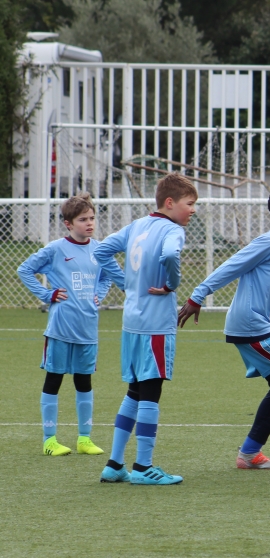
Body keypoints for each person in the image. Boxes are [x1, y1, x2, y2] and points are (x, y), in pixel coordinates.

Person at [177, 186, 270, 470]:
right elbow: (233, 265)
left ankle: (249, 453)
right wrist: (198, 296)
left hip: (256, 323)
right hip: (249, 324)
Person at [94, 173, 198, 485]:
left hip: (131, 323)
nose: (193, 210)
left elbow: (101, 251)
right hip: (155, 324)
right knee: (151, 392)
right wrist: (172, 284)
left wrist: (126, 281)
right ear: (170, 203)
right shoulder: (173, 230)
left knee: (135, 391)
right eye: (190, 203)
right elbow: (170, 254)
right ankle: (143, 467)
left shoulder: (137, 225)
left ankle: (114, 464)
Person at [17, 193, 125, 456]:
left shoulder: (100, 249)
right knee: (54, 379)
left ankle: (84, 439)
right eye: (83, 220)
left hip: (88, 329)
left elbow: (107, 276)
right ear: (68, 223)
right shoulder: (56, 249)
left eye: (92, 218)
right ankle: (49, 440)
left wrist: (99, 292)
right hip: (60, 328)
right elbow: (24, 269)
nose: (89, 224)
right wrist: (47, 294)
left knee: (84, 382)